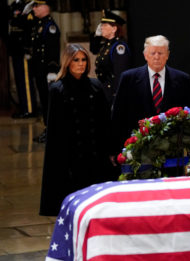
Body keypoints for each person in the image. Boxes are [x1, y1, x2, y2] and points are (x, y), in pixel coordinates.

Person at [39, 44, 114, 216]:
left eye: (84, 60)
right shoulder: (57, 89)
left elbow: (105, 123)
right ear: (67, 62)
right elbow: (55, 131)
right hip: (71, 158)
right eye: (76, 60)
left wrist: (110, 151)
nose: (81, 64)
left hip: (95, 155)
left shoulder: (96, 86)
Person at [111, 35, 190, 160]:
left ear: (167, 55)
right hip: (138, 150)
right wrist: (115, 149)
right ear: (145, 55)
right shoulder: (129, 79)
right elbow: (118, 116)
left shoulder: (182, 80)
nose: (156, 57)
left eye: (160, 53)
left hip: (173, 151)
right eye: (153, 53)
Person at [29, 0, 60, 142]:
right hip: (39, 70)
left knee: (49, 102)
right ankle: (48, 128)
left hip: (47, 71)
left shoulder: (50, 26)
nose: (34, 9)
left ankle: (52, 131)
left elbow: (52, 50)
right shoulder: (39, 24)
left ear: (46, 7)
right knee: (44, 101)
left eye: (37, 6)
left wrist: (52, 70)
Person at [90, 10, 130, 106]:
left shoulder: (119, 47)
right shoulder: (108, 44)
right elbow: (94, 49)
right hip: (104, 89)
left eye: (104, 25)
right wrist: (96, 36)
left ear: (114, 28)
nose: (101, 27)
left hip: (111, 91)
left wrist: (116, 96)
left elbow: (119, 74)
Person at [8, 0, 38, 119]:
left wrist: (28, 48)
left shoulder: (28, 6)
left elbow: (30, 29)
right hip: (15, 50)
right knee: (19, 80)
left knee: (25, 81)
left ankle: (29, 109)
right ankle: (23, 107)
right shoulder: (13, 6)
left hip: (23, 50)